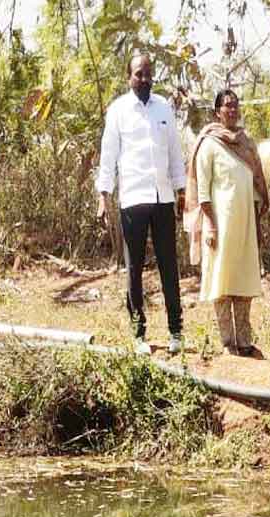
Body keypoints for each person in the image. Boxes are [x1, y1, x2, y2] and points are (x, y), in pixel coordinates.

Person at [95, 52, 186, 356]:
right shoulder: (118, 110)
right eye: (138, 74)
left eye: (148, 74)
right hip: (133, 199)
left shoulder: (164, 108)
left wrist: (181, 189)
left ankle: (176, 331)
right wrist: (103, 195)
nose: (144, 79)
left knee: (169, 267)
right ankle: (138, 333)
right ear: (128, 77)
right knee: (134, 269)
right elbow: (108, 156)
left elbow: (174, 152)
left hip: (163, 199)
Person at [185, 89, 268, 358]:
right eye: (227, 106)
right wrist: (210, 224)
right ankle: (227, 342)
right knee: (221, 282)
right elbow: (204, 191)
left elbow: (255, 187)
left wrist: (256, 223)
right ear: (217, 112)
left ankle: (245, 341)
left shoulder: (246, 143)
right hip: (219, 226)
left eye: (235, 106)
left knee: (243, 281)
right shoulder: (209, 144)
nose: (232, 110)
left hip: (244, 225)